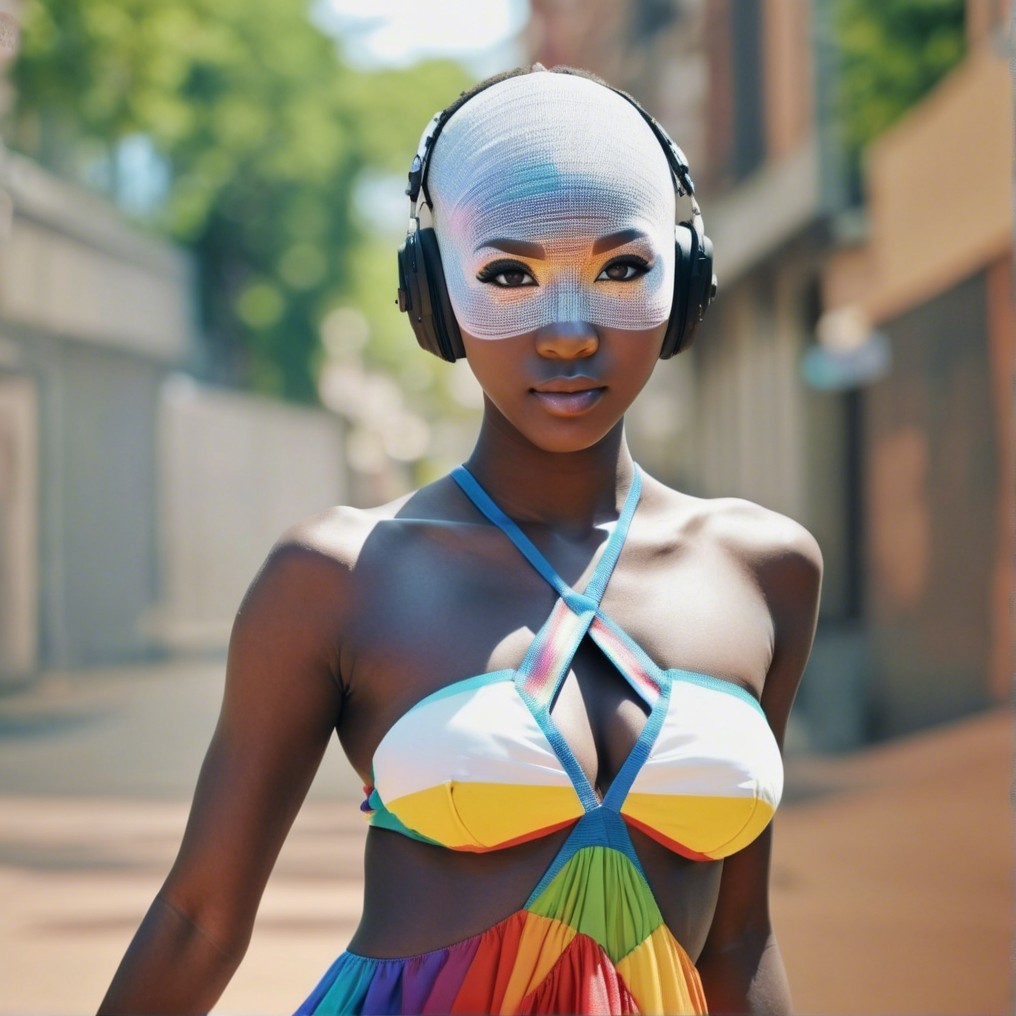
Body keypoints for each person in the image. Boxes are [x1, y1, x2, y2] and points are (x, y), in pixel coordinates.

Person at [99, 65, 822, 1015]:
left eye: (622, 268)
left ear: (684, 279)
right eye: (510, 276)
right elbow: (200, 921)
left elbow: (737, 937)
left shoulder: (765, 571)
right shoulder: (340, 578)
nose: (569, 333)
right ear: (434, 296)